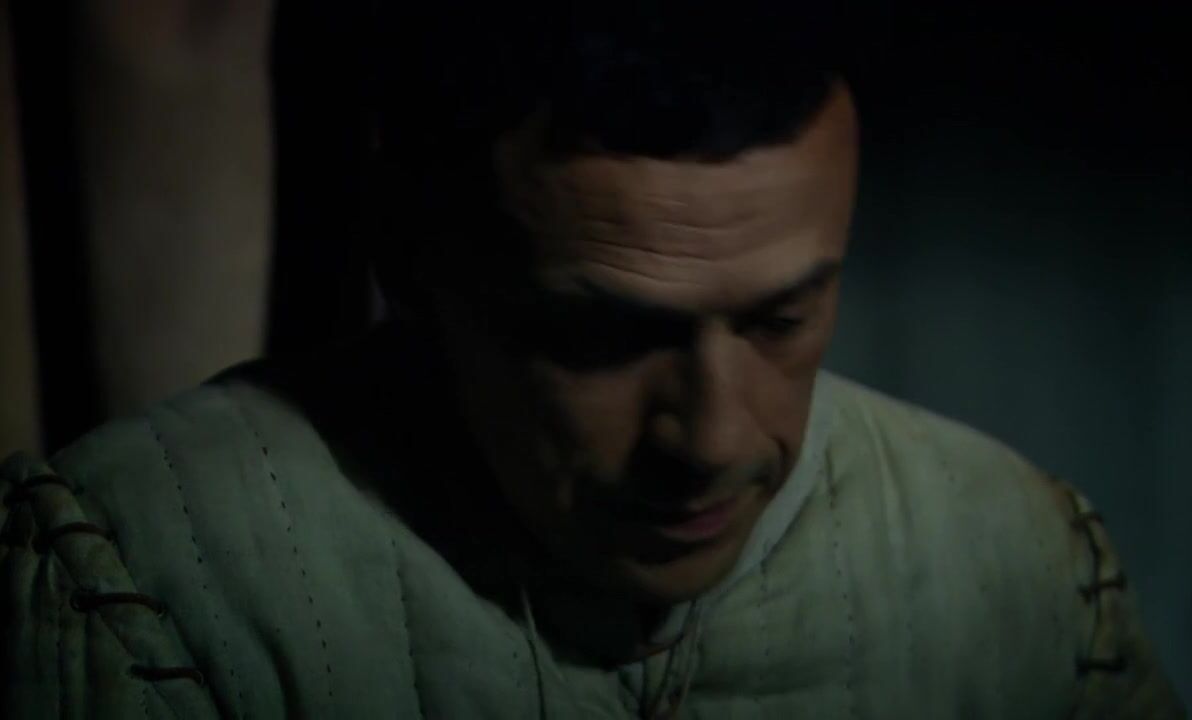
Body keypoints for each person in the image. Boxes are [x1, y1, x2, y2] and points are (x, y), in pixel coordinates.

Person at [1, 5, 1183, 718]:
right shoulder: (152, 578)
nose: (711, 439)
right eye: (603, 338)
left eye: (781, 319)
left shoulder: (1017, 568)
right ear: (413, 260)